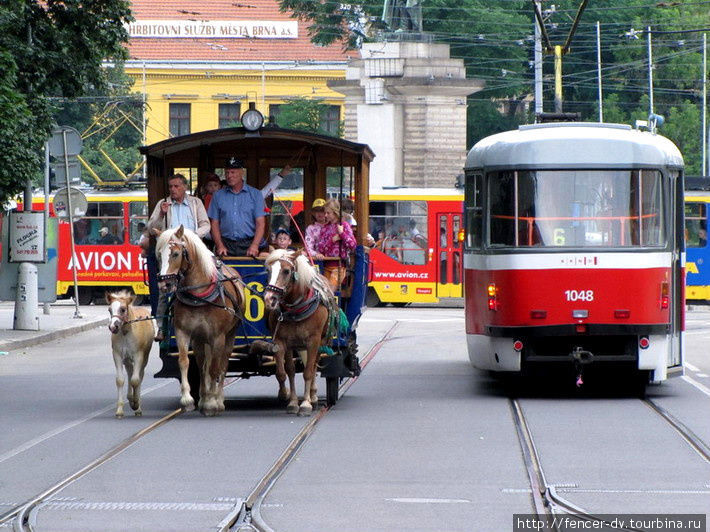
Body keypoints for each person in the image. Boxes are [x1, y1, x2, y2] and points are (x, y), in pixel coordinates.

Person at [208, 157, 266, 258]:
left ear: (241, 173)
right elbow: (214, 223)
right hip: (225, 245)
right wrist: (219, 245)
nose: (229, 176)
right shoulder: (217, 196)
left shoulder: (255, 194)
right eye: (227, 173)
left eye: (233, 172)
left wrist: (255, 245)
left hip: (249, 244)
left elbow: (260, 223)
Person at [146, 173, 210, 238]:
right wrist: (161, 214)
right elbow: (151, 230)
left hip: (191, 245)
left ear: (185, 187)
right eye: (170, 186)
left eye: (176, 186)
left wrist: (193, 236)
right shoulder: (163, 203)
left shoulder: (196, 202)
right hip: (169, 245)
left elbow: (206, 225)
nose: (172, 189)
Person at [315, 198, 356, 290]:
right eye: (325, 213)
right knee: (322, 290)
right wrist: (332, 240)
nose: (325, 215)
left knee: (329, 290)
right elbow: (320, 248)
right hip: (326, 265)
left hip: (339, 266)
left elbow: (353, 245)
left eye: (328, 213)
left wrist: (342, 234)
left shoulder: (344, 225)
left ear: (335, 212)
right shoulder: (325, 228)